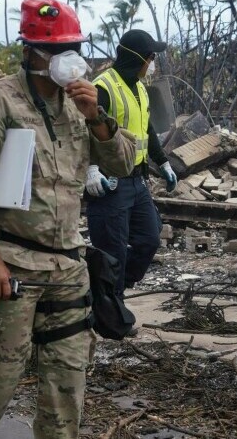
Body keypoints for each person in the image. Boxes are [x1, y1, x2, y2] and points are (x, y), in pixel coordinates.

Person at [0, 0, 135, 439]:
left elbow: (124, 163)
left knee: (67, 385)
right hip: (12, 266)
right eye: (58, 50)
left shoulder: (81, 106)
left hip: (68, 269)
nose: (69, 59)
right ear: (30, 52)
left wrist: (98, 118)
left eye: (74, 48)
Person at [87, 30, 176, 330]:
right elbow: (79, 130)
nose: (152, 64)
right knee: (111, 251)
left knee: (150, 238)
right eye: (150, 58)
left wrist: (162, 162)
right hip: (109, 183)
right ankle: (111, 314)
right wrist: (89, 169)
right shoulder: (103, 87)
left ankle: (104, 294)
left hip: (136, 183)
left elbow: (146, 130)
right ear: (138, 58)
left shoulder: (138, 88)